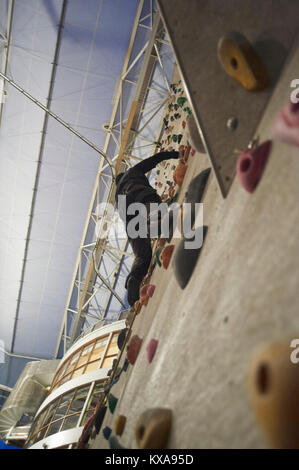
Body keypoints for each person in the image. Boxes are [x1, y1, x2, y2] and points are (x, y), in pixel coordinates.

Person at [115, 150, 179, 306]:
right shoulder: (132, 172)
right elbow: (153, 160)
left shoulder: (117, 195)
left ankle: (133, 279)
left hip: (127, 211)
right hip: (141, 196)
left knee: (142, 255)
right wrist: (173, 154)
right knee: (161, 223)